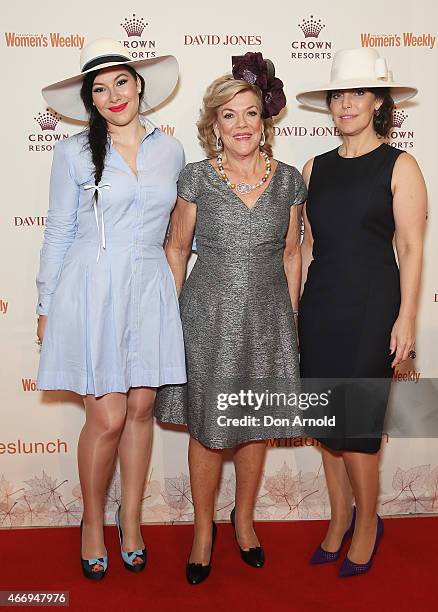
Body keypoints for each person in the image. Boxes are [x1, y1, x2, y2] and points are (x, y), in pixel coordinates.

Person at [36, 38, 185, 580]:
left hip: (150, 286)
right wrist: (46, 302)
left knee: (141, 410)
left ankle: (133, 520)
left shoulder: (172, 150)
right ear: (89, 99)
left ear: (139, 85)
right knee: (108, 416)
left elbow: (176, 234)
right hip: (92, 286)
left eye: (121, 81)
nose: (112, 94)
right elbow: (59, 229)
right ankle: (92, 522)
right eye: (99, 88)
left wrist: (174, 292)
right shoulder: (73, 152)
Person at [155, 52, 307, 584]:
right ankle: (203, 529)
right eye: (229, 115)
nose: (241, 124)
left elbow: (292, 255)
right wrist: (167, 322)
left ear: (264, 120)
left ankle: (243, 521)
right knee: (206, 430)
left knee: (254, 424)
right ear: (213, 126)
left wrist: (291, 320)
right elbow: (176, 249)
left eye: (250, 112)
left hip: (267, 318)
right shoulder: (195, 177)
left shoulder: (288, 180)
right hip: (207, 316)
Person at [296, 48, 427, 577]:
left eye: (358, 93)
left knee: (357, 429)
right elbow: (305, 248)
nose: (346, 103)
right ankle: (337, 518)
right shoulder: (314, 168)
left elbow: (413, 249)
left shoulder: (401, 165)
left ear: (378, 102)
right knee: (327, 427)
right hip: (321, 306)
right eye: (338, 94)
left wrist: (408, 318)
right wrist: (295, 310)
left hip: (373, 307)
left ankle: (367, 525)